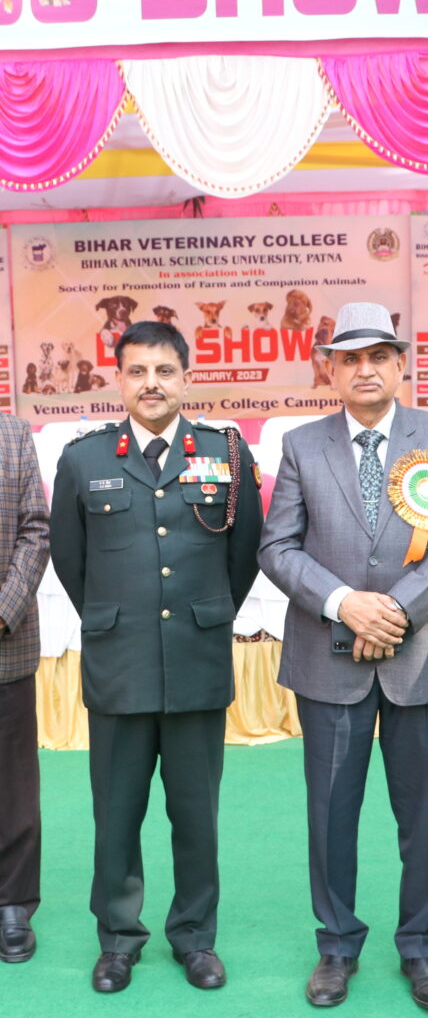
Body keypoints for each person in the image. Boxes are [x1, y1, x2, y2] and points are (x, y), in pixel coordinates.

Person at [258, 302, 428, 1011]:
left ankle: (421, 948)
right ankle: (336, 946)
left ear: (400, 364)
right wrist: (344, 603)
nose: (364, 370)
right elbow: (277, 547)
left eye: (378, 356)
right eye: (349, 358)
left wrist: (396, 612)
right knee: (331, 815)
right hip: (329, 659)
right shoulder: (301, 445)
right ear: (330, 369)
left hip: (422, 657)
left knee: (423, 816)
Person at [50, 321, 263, 994]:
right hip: (120, 665)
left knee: (196, 816)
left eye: (164, 371)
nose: (151, 384)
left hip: (197, 662)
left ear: (185, 378)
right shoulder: (83, 458)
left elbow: (243, 556)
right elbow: (71, 562)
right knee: (116, 814)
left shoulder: (225, 453)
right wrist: (117, 617)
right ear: (118, 380)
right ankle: (118, 940)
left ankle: (195, 938)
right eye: (137, 371)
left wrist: (204, 615)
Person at [0, 414, 50, 963]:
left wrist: (3, 612)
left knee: (12, 785)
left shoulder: (13, 436)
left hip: (4, 643)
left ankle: (12, 903)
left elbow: (36, 530)